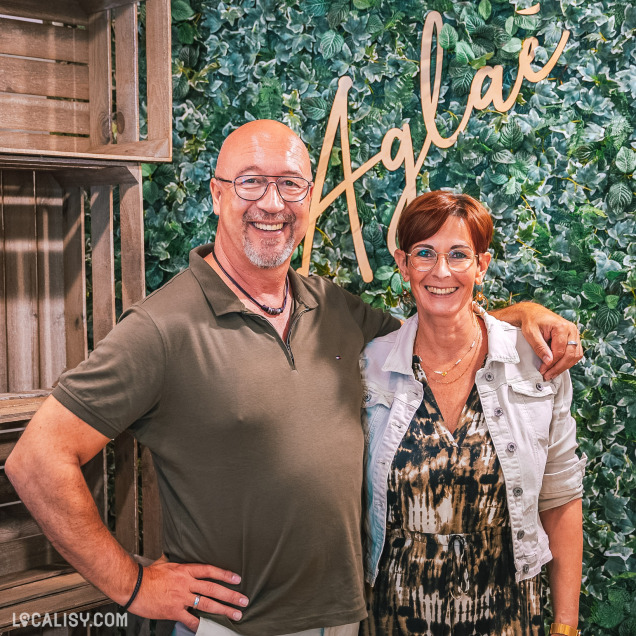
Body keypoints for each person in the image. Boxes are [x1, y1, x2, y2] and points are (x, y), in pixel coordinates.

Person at [6, 121, 582, 636]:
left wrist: (523, 316)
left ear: (308, 197)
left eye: (290, 184)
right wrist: (131, 584)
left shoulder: (331, 308)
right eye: (250, 182)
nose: (271, 202)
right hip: (235, 627)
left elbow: (436, 327)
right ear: (216, 194)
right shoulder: (162, 328)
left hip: (347, 616)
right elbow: (36, 460)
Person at [360, 191, 585, 636]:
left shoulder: (537, 362)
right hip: (393, 614)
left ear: (481, 266)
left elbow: (561, 499)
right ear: (404, 265)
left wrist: (565, 627)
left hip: (506, 614)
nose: (441, 271)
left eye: (458, 255)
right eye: (425, 253)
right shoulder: (370, 368)